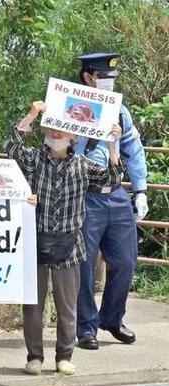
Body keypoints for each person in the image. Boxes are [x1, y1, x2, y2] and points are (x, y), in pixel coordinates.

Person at [5, 100, 122, 376]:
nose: (56, 134)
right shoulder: (34, 159)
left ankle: (64, 356)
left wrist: (112, 145)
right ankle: (34, 356)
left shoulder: (82, 165)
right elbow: (11, 148)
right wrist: (32, 113)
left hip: (71, 245)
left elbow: (111, 182)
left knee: (67, 305)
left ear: (73, 135)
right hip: (35, 241)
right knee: (32, 304)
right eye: (52, 127)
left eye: (62, 129)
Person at [74, 53, 148, 350]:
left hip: (116, 193)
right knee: (85, 265)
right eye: (103, 77)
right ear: (87, 78)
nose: (109, 82)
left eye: (112, 78)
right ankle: (86, 327)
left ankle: (112, 318)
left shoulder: (121, 111)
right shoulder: (72, 106)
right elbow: (59, 147)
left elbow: (135, 149)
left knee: (126, 260)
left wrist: (140, 190)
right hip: (85, 193)